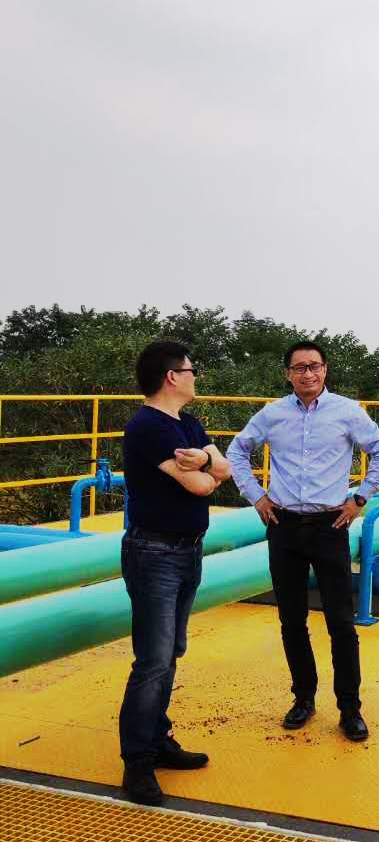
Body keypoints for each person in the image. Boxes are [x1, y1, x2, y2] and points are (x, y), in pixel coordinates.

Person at [226, 340, 379, 742]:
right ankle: (303, 698)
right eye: (300, 367)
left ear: (325, 370)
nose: (308, 374)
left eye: (314, 366)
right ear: (288, 374)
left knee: (341, 622)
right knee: (292, 619)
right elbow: (237, 451)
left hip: (329, 525)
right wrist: (256, 496)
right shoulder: (272, 414)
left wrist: (360, 498)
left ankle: (350, 708)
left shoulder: (347, 411)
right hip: (283, 525)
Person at [119, 341, 231, 806]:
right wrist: (208, 467)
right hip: (154, 553)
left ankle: (158, 737)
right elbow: (204, 485)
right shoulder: (148, 426)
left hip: (186, 550)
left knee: (171, 652)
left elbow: (223, 469)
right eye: (191, 369)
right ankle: (137, 763)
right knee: (153, 660)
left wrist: (205, 460)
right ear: (172, 376)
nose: (195, 377)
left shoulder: (187, 423)